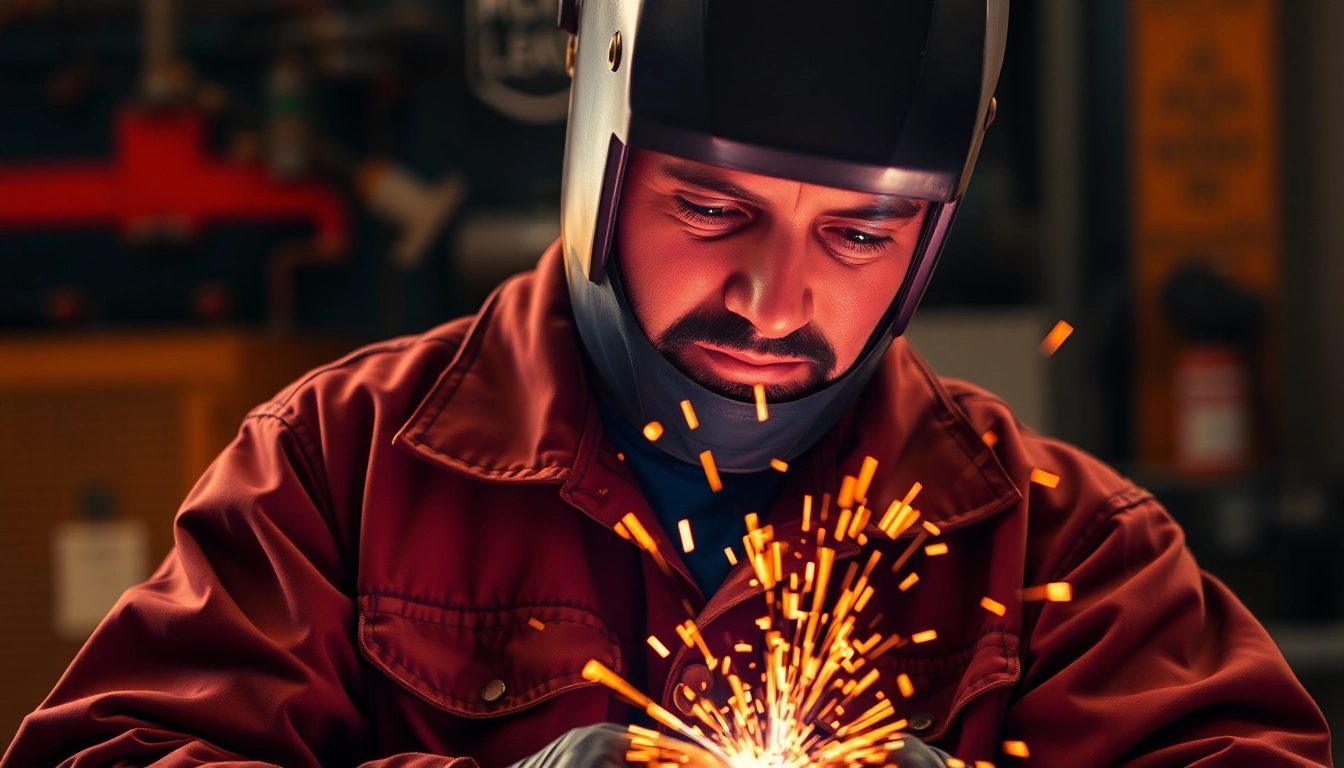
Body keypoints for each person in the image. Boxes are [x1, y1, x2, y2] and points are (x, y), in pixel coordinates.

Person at [3, 1, 1332, 766]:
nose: (774, 300)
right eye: (710, 209)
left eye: (858, 236)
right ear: (600, 142)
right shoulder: (338, 472)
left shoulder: (1068, 551)